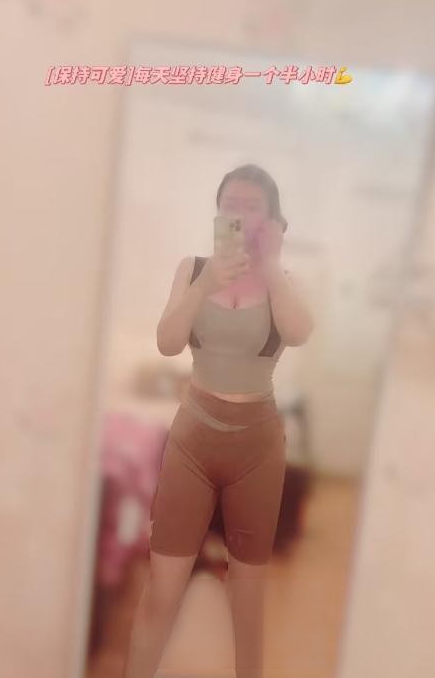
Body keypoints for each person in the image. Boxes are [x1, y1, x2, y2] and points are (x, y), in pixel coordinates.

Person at [122, 163, 314, 678]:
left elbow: (299, 332)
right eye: (231, 205)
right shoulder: (192, 269)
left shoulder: (284, 283)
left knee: (247, 603)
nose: (240, 215)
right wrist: (206, 282)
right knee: (161, 590)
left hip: (257, 447)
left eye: (253, 207)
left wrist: (270, 267)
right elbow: (167, 343)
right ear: (217, 214)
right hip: (193, 438)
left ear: (272, 220)